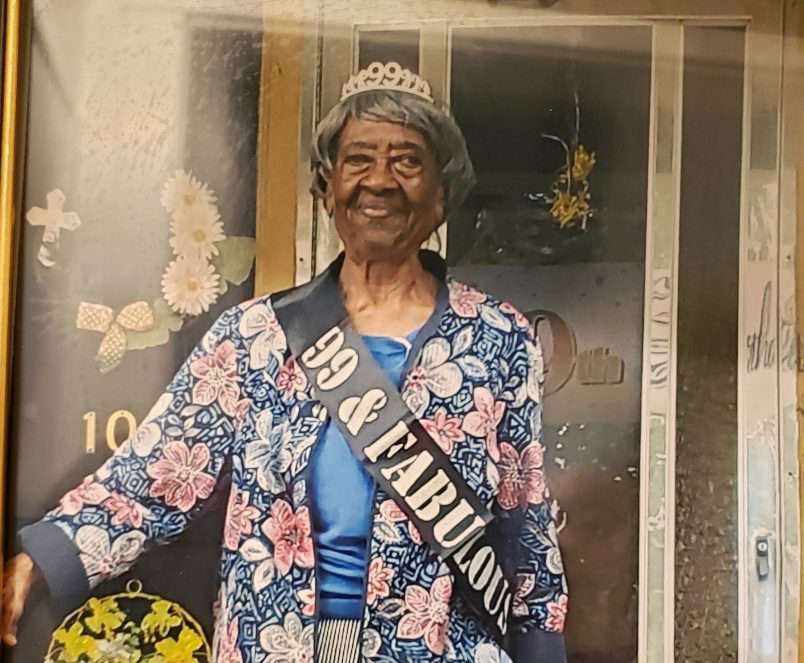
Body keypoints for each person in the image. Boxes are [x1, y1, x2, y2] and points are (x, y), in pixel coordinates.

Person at [2, 61, 568, 662]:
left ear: (442, 194)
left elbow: (523, 521)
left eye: (407, 161)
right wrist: (35, 561)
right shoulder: (254, 337)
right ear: (326, 189)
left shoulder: (497, 339)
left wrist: (541, 647)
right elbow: (158, 476)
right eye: (358, 160)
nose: (380, 181)